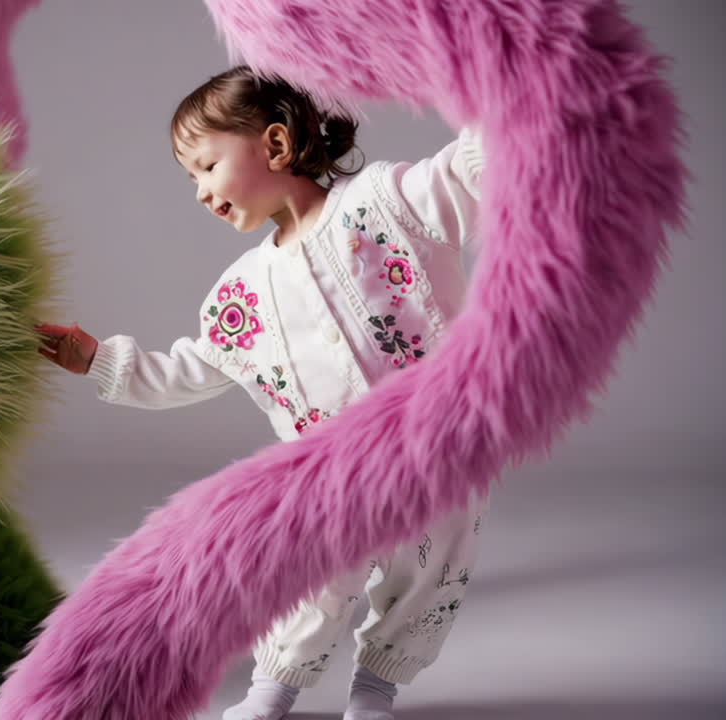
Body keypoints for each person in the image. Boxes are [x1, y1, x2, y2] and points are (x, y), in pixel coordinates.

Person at [36, 65, 487, 720]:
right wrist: (98, 360)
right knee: (310, 578)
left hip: (437, 449)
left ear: (274, 146)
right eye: (190, 177)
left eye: (206, 166)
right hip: (324, 471)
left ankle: (375, 691)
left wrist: (487, 85)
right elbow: (185, 371)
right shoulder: (241, 294)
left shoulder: (388, 203)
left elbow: (471, 168)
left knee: (432, 570)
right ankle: (270, 694)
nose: (198, 191)